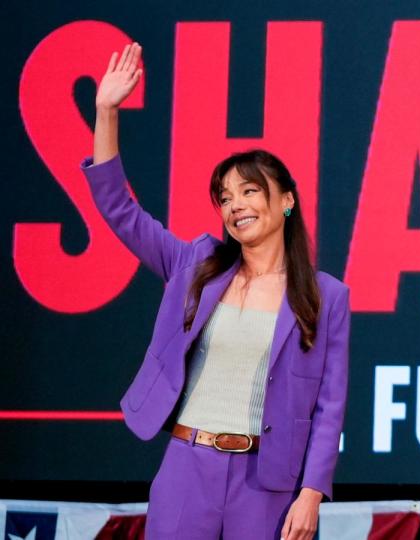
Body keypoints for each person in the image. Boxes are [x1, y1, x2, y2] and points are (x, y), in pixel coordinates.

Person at [83, 43, 349, 539]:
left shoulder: (325, 296)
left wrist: (312, 492)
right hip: (188, 468)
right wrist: (106, 111)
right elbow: (120, 210)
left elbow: (331, 405)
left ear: (286, 200)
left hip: (266, 483)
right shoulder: (195, 267)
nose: (236, 206)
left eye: (250, 191)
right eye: (225, 197)